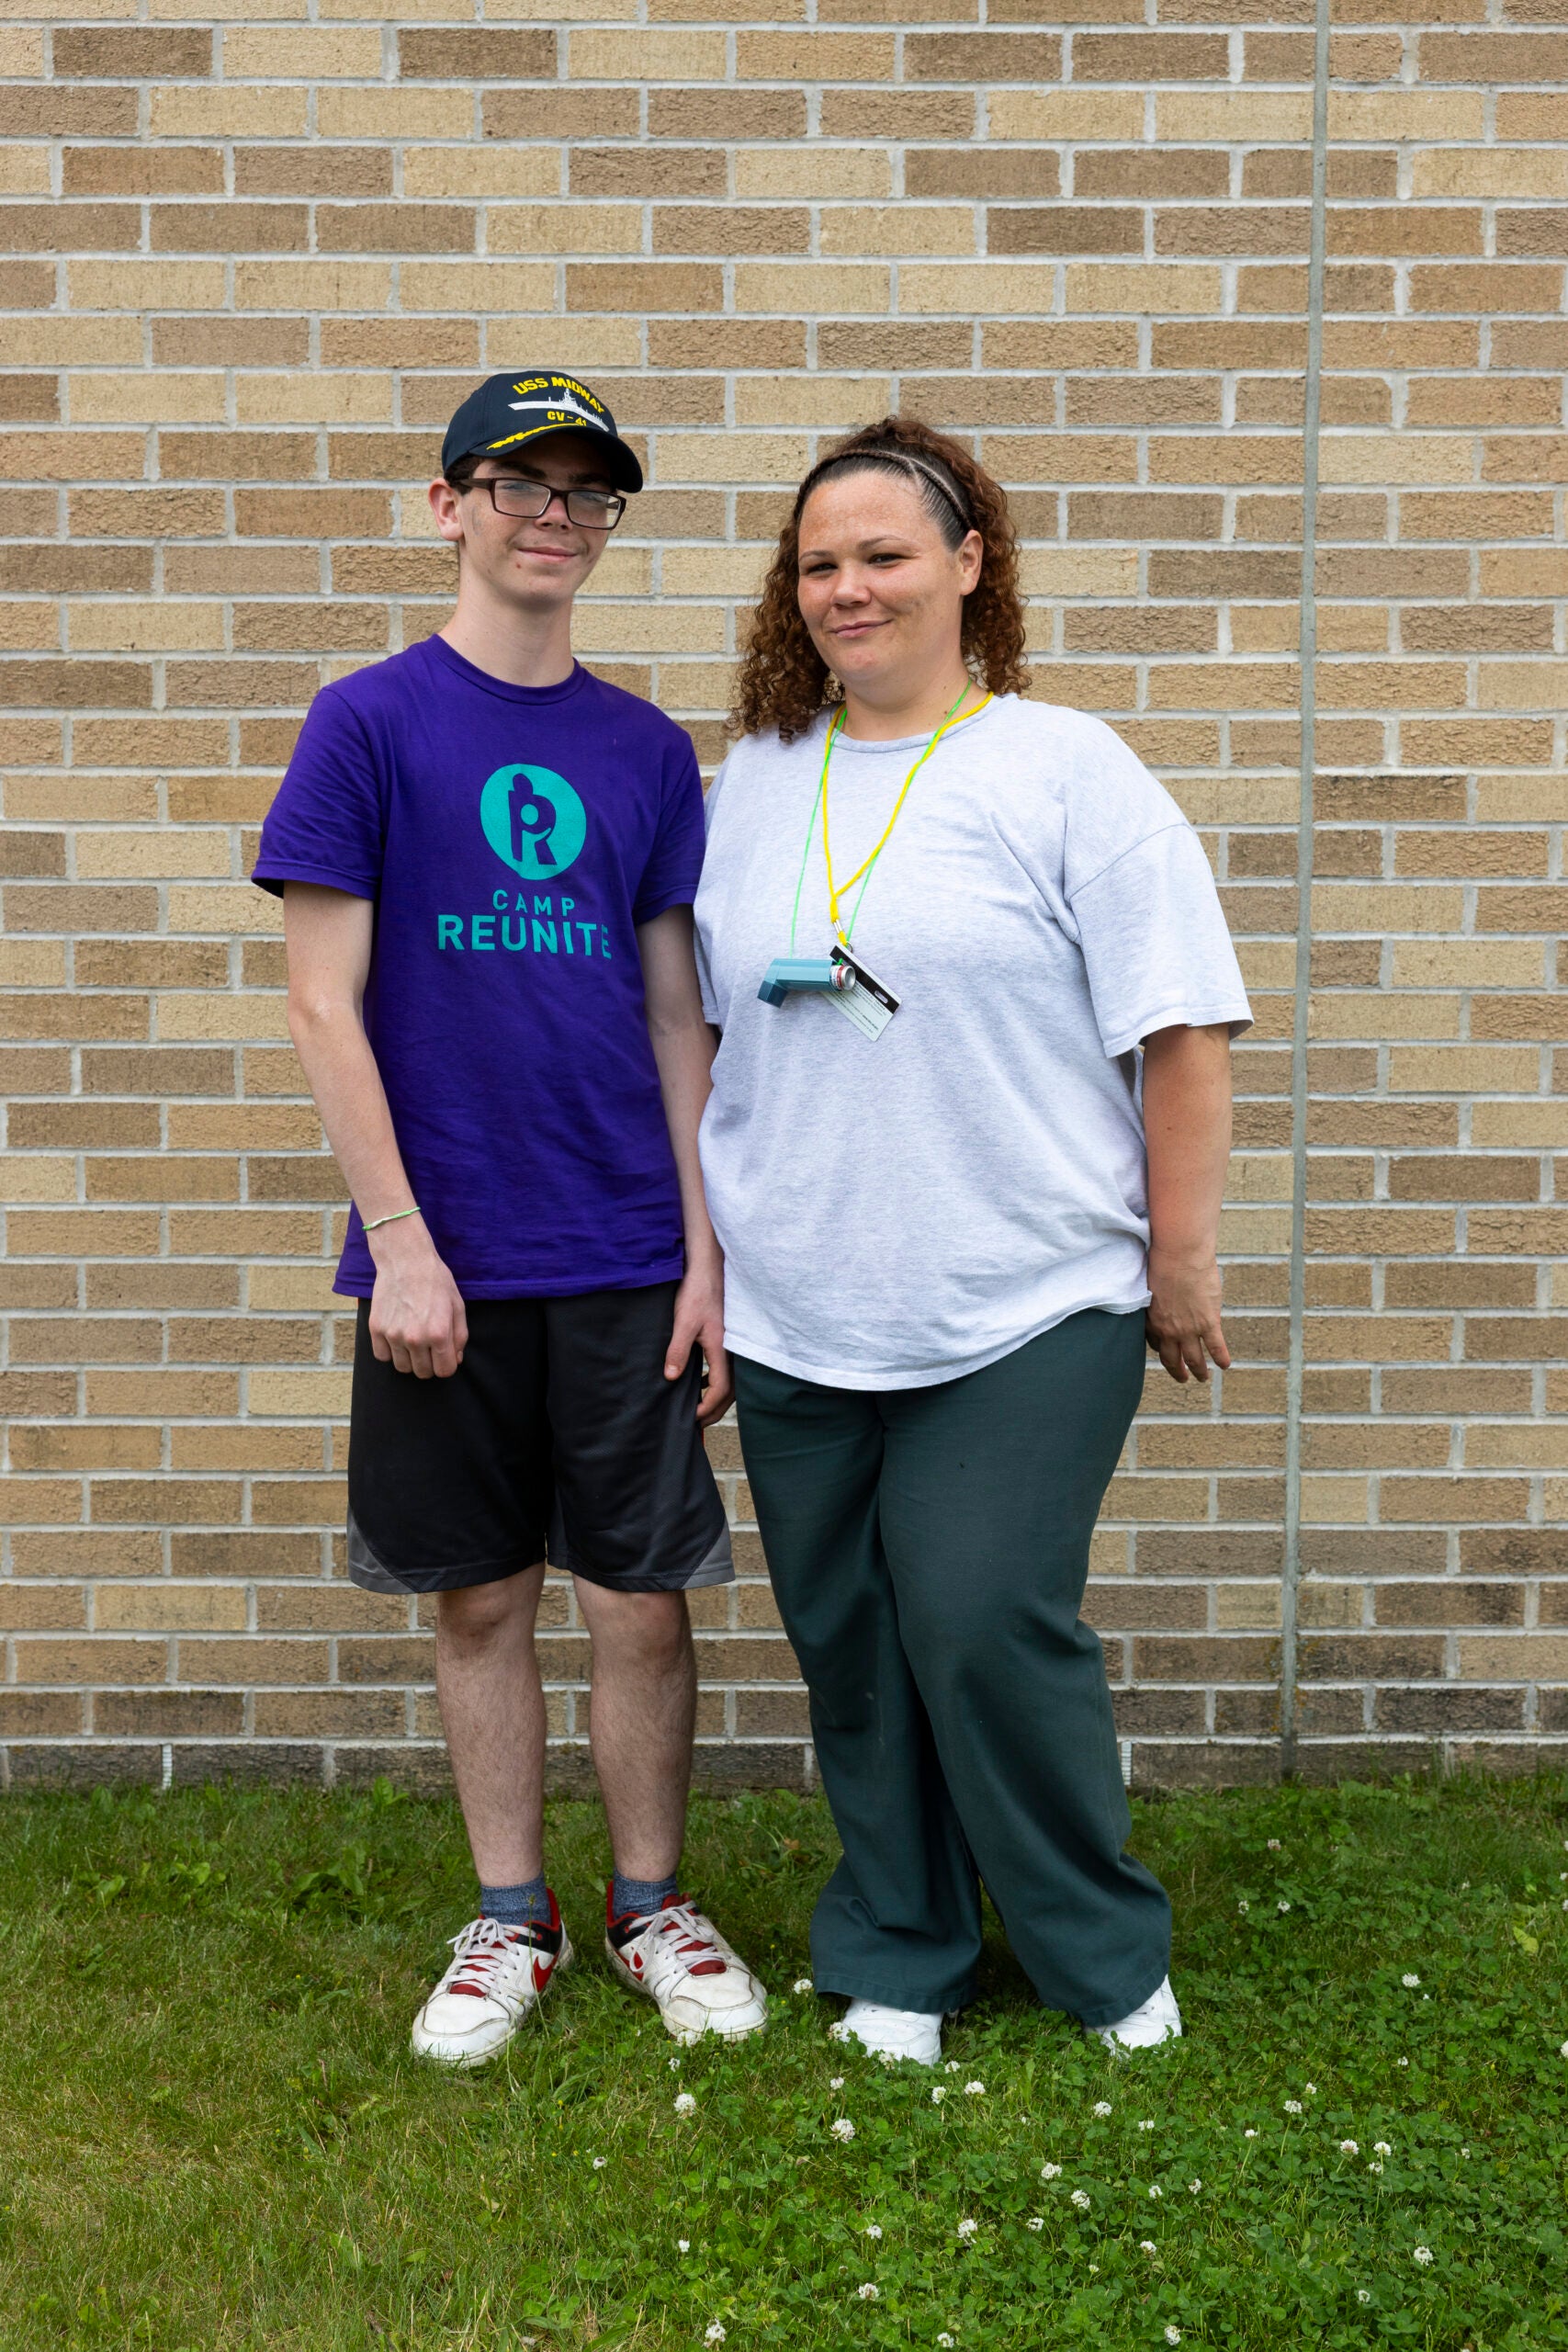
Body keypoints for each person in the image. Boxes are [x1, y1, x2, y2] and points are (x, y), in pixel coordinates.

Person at [693, 417, 1251, 2066]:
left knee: (981, 1610)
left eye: (883, 554)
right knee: (853, 1638)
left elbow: (1184, 1031)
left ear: (968, 565)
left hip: (1030, 1293)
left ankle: (1093, 1941)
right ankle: (902, 1946)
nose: (848, 588)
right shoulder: (751, 785)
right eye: (818, 564)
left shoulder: (1067, 770)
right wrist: (706, 1260)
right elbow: (708, 1039)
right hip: (802, 1296)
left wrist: (1183, 1257)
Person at [252, 369, 767, 2064]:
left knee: (640, 1597)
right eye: (519, 480)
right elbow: (324, 1001)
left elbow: (675, 1008)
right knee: (478, 1595)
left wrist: (704, 1251)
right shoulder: (370, 722)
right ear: (448, 505)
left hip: (623, 1244)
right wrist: (398, 1237)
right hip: (444, 1258)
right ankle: (505, 1918)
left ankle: (649, 1905)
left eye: (587, 489)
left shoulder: (642, 750)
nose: (555, 511)